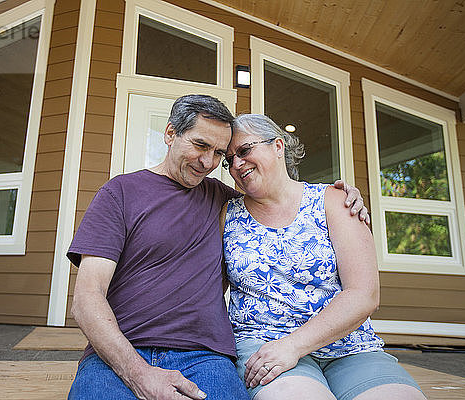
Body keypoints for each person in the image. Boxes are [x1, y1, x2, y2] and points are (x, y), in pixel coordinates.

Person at [66, 95, 368, 400]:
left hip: (204, 356)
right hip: (121, 351)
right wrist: (137, 372)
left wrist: (340, 196)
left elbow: (277, 196)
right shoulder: (120, 193)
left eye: (218, 154)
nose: (208, 163)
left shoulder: (225, 201)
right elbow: (86, 299)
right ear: (170, 134)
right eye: (200, 145)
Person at [222, 114, 426, 400]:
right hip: (264, 345)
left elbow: (364, 294)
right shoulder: (225, 213)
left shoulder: (333, 201)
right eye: (228, 160)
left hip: (348, 346)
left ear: (278, 146)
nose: (236, 165)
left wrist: (293, 346)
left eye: (244, 151)